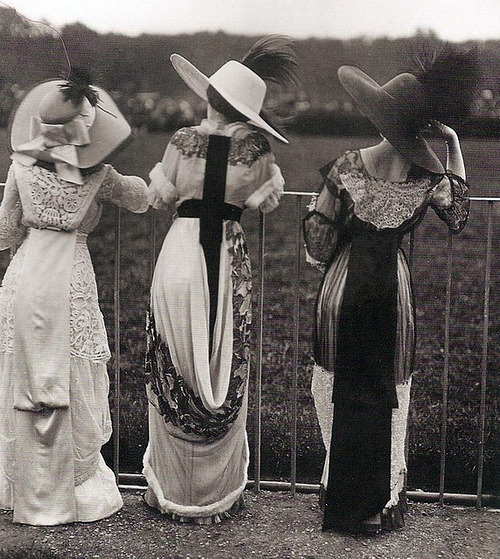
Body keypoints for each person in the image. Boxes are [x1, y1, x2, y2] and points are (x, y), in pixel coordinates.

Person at [303, 49, 480, 534]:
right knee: (392, 392)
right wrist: (453, 144)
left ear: (382, 116)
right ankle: (386, 497)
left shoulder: (346, 166)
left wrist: (330, 254)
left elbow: (318, 239)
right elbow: (459, 215)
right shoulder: (427, 178)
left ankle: (334, 485)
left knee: (330, 382)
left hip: (342, 289)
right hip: (392, 295)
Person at [143, 36, 298, 524]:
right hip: (226, 254)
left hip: (180, 254)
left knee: (174, 357)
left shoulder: (181, 142)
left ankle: (172, 489)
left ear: (210, 97)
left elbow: (159, 196)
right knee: (222, 355)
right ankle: (214, 492)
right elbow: (265, 198)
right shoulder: (256, 152)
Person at [0, 69, 149, 525]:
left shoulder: (21, 165)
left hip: (27, 274)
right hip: (70, 276)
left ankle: (25, 484)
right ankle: (72, 486)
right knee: (70, 371)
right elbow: (141, 198)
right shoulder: (98, 173)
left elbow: (6, 231)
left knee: (25, 370)